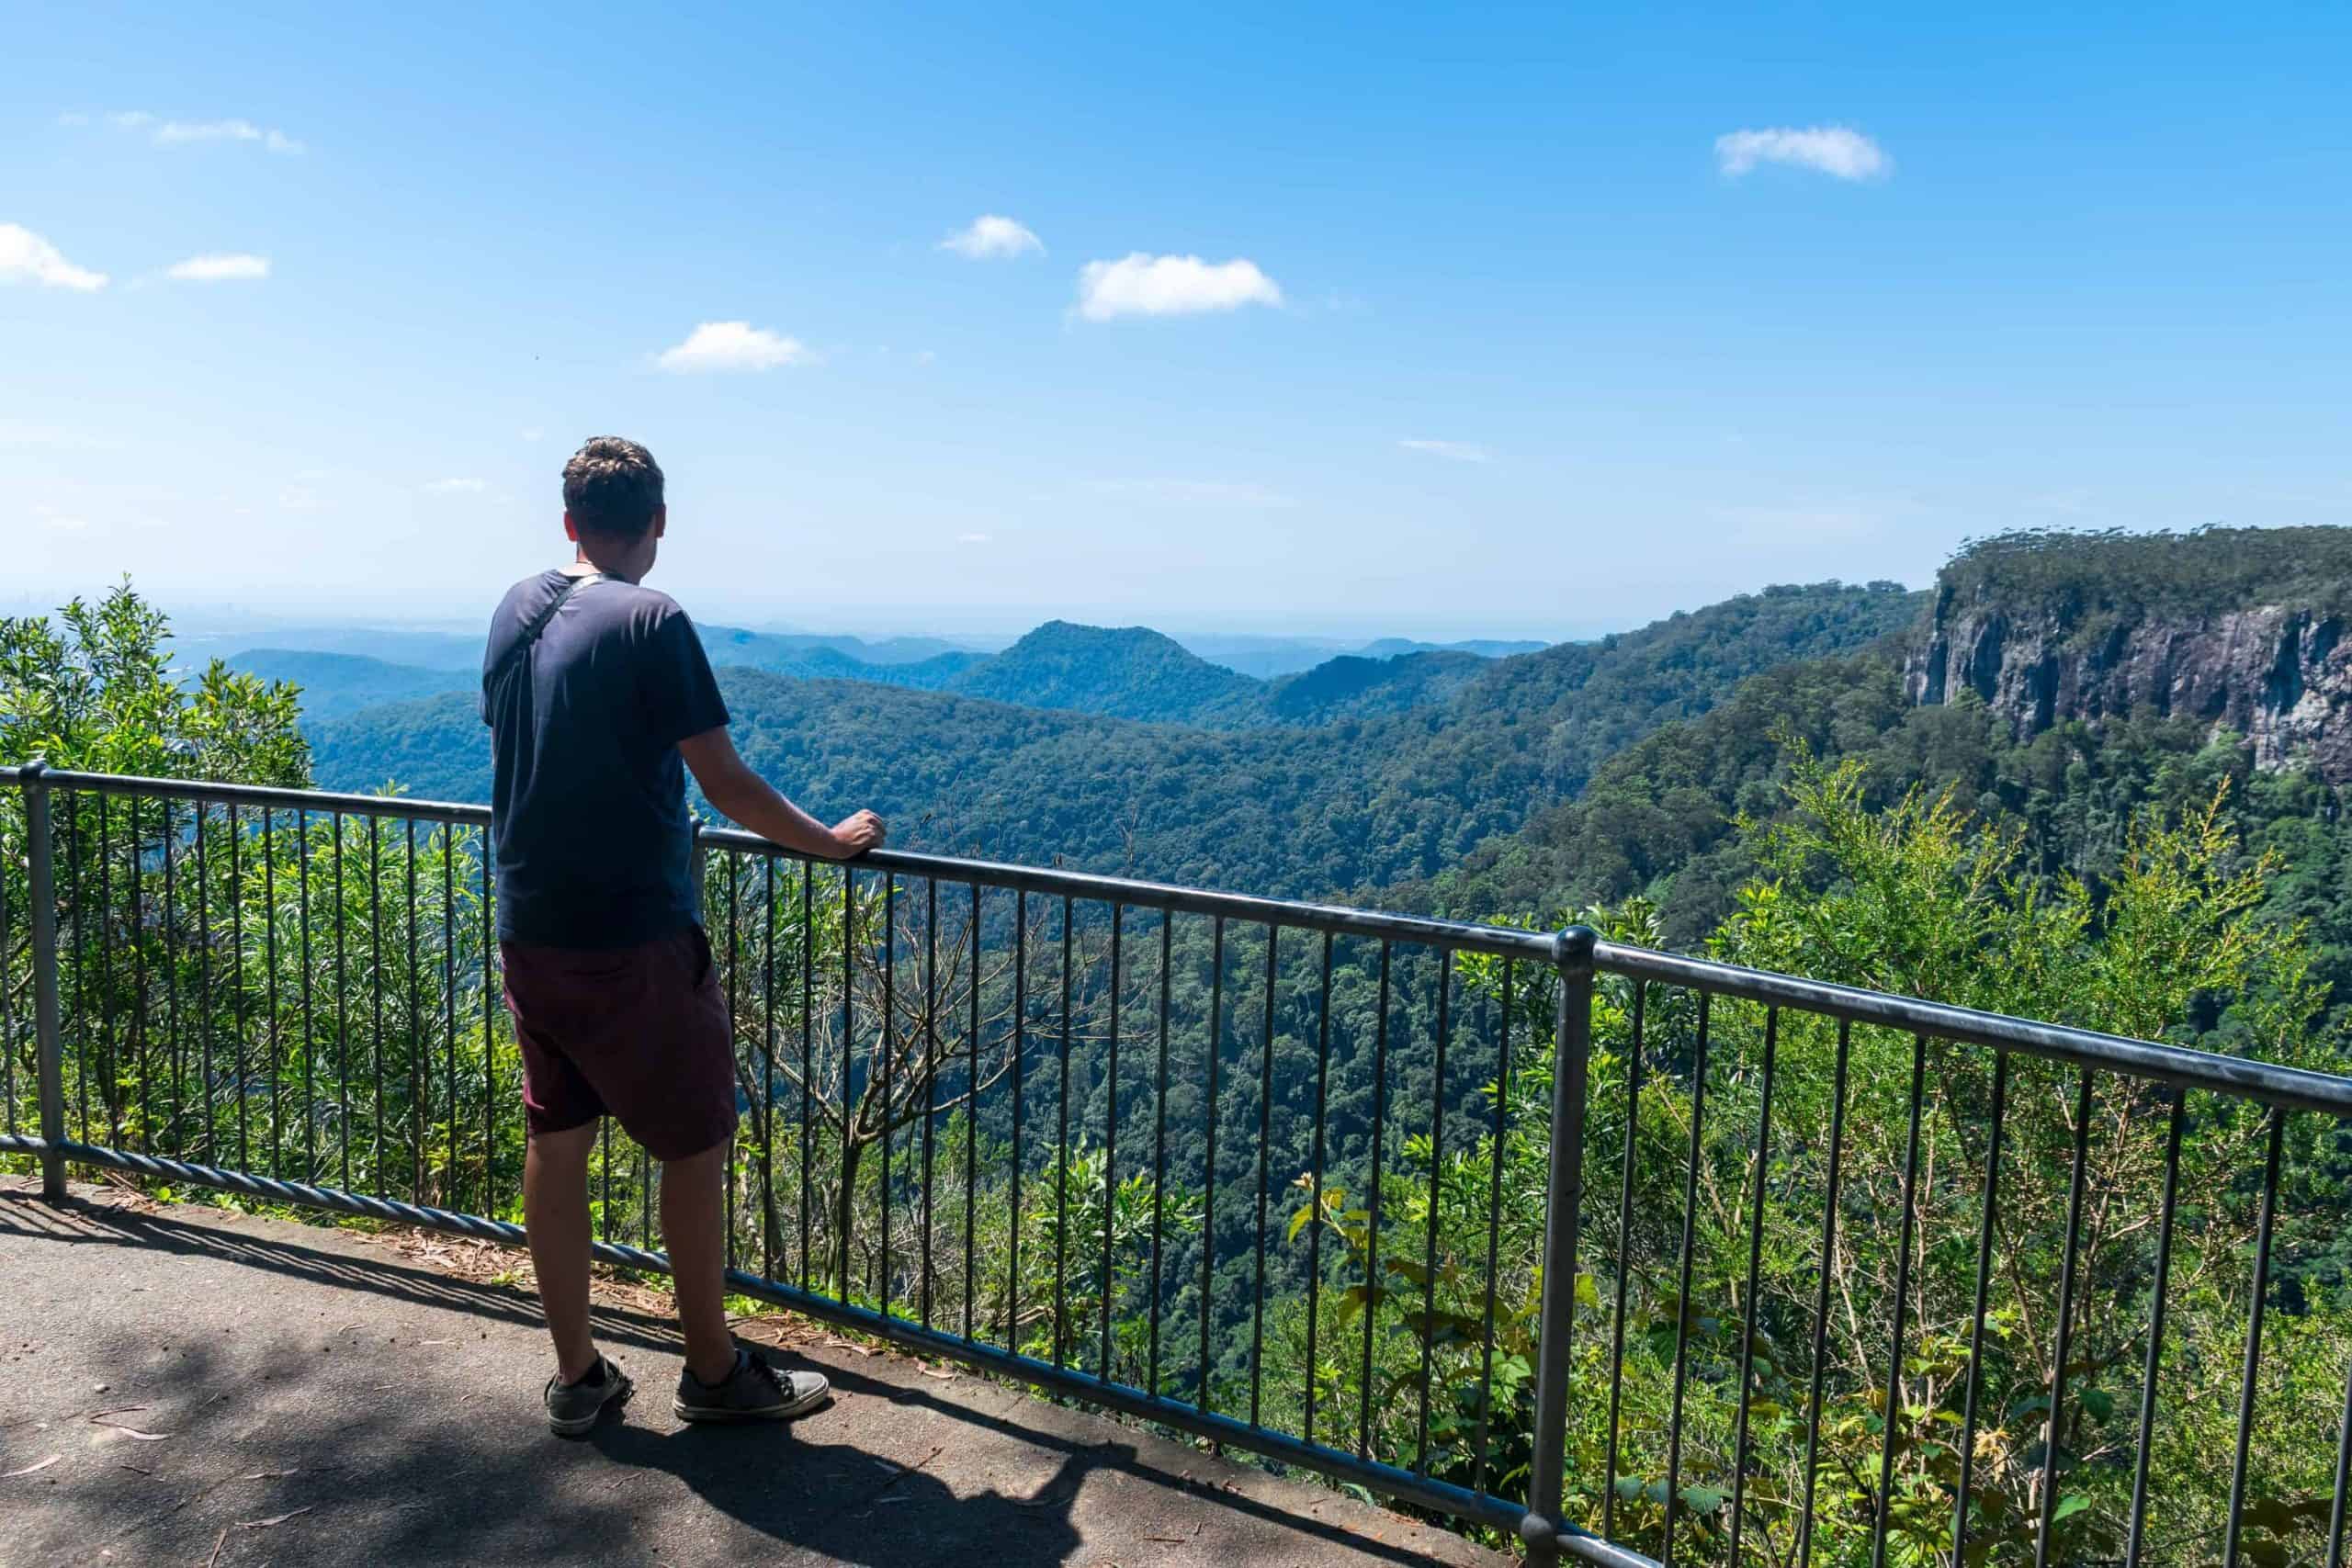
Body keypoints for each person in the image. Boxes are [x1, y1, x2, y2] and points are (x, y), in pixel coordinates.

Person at [481, 435, 886, 1436]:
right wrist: (829, 846)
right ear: (658, 522)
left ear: (569, 521)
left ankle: (578, 1377)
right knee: (693, 1149)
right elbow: (726, 782)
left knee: (558, 1140)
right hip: (633, 933)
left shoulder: (513, 608)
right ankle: (712, 1373)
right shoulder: (653, 618)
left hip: (530, 925)